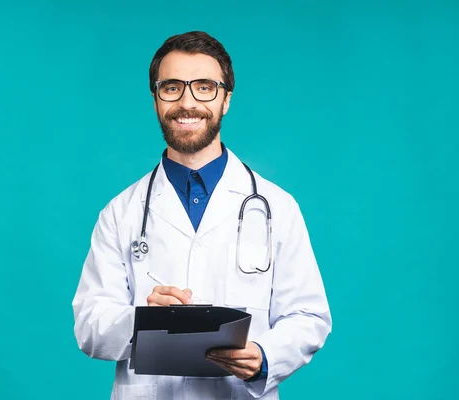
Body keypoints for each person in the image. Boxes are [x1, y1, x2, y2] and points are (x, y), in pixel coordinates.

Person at [72, 31, 332, 400]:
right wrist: (141, 321)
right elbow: (88, 325)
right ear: (155, 99)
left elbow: (309, 316)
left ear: (226, 99)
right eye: (172, 87)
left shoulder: (277, 207)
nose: (187, 102)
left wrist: (264, 357)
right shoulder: (120, 213)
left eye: (205, 87)